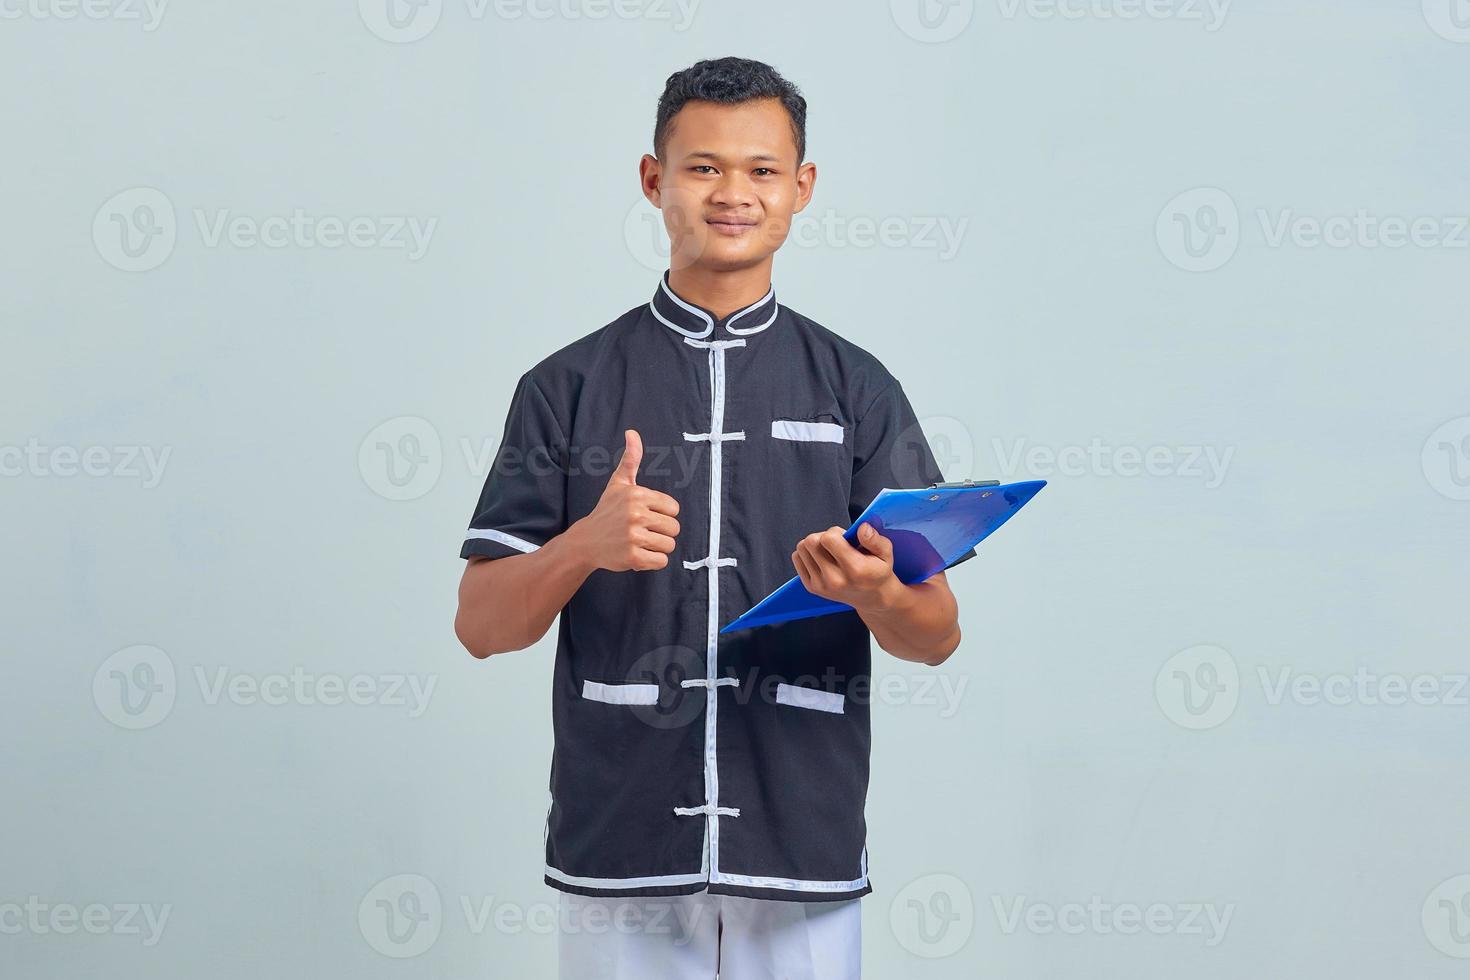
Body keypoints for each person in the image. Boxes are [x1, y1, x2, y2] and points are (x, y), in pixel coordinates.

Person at [454, 55, 976, 980]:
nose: (732, 192)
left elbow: (935, 636)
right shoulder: (565, 389)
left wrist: (875, 595)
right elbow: (482, 626)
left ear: (801, 188)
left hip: (800, 834)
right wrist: (584, 546)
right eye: (702, 167)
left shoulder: (858, 388)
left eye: (762, 170)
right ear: (654, 180)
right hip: (620, 838)